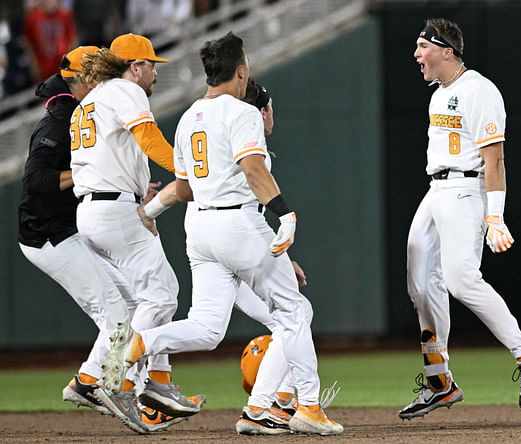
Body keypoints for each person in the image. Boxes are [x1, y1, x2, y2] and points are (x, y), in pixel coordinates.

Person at [100, 32, 343, 436]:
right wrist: (286, 215)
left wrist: (149, 210)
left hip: (200, 231)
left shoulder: (186, 117)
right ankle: (308, 407)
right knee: (295, 312)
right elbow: (252, 167)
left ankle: (143, 342)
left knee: (208, 326)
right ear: (242, 71)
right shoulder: (242, 112)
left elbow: (184, 187)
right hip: (239, 224)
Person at [399, 18, 521, 420]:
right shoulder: (439, 93)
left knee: (461, 278)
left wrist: (494, 217)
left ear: (446, 50)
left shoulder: (479, 90)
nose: (417, 55)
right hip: (437, 191)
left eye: (423, 47)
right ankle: (439, 380)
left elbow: (494, 158)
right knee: (419, 283)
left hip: (467, 190)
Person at [70, 33, 205, 434]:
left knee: (140, 304)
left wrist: (136, 187)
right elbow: (148, 139)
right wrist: (186, 170)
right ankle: (120, 381)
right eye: (150, 64)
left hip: (95, 207)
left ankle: (143, 383)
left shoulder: (94, 98)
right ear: (134, 67)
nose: (154, 72)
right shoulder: (126, 90)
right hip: (113, 211)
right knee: (162, 294)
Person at [23, 0, 77, 83]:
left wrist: (70, 61)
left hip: (62, 64)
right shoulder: (33, 18)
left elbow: (72, 39)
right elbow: (28, 43)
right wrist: (34, 64)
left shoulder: (65, 14)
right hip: (44, 67)